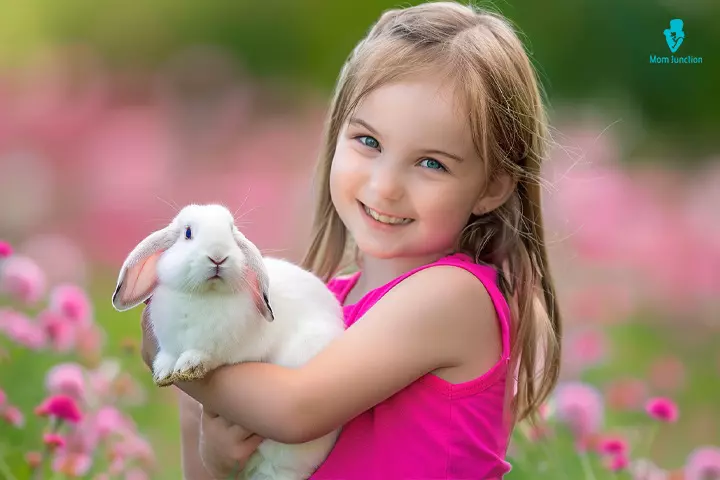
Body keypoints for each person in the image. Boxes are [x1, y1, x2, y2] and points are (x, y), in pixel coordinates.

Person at [140, 1, 562, 478]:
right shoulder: (323, 306)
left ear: (491, 187)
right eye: (369, 141)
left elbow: (295, 410)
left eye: (432, 163)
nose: (385, 186)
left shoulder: (454, 296)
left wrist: (167, 352)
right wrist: (214, 459)